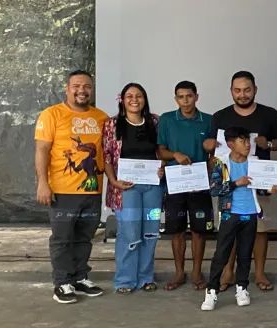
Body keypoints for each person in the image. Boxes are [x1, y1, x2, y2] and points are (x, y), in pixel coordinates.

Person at [203, 70, 277, 292]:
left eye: (247, 90)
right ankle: (228, 272)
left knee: (260, 228)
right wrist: (208, 146)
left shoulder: (269, 114)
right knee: (228, 230)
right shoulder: (220, 116)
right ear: (231, 91)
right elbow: (210, 144)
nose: (242, 94)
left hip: (259, 181)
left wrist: (269, 144)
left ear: (255, 89)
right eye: (237, 90)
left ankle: (259, 273)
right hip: (228, 182)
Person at [34, 70, 108, 304]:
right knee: (62, 238)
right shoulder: (51, 114)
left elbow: (108, 153)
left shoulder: (101, 117)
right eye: (76, 86)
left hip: (92, 189)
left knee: (85, 237)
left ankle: (80, 277)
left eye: (87, 86)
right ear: (67, 89)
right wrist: (42, 183)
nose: (81, 90)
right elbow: (42, 150)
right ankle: (62, 282)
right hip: (62, 191)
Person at [201, 127, 274, 311]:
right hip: (229, 213)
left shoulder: (255, 162)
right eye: (243, 141)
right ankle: (211, 291)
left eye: (248, 141)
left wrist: (270, 189)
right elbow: (215, 190)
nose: (247, 145)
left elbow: (261, 188)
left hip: (250, 213)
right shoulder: (221, 163)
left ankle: (242, 288)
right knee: (221, 253)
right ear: (231, 144)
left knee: (245, 253)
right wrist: (236, 183)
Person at [102, 83, 163, 295]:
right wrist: (114, 181)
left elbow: (162, 150)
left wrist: (162, 168)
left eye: (139, 96)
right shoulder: (112, 124)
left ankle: (146, 277)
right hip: (125, 189)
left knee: (150, 233)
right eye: (129, 96)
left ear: (145, 99)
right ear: (122, 100)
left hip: (153, 188)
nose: (134, 100)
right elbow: (107, 157)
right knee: (129, 233)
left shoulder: (155, 122)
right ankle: (125, 280)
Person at [157, 80, 213, 291]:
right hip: (175, 184)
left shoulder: (208, 120)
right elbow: (160, 151)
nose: (185, 100)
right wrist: (175, 155)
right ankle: (179, 272)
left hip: (200, 184)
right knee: (177, 230)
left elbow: (215, 151)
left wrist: (211, 169)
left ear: (196, 97)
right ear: (176, 99)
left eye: (189, 96)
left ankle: (197, 272)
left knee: (200, 230)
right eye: (181, 97)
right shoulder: (167, 119)